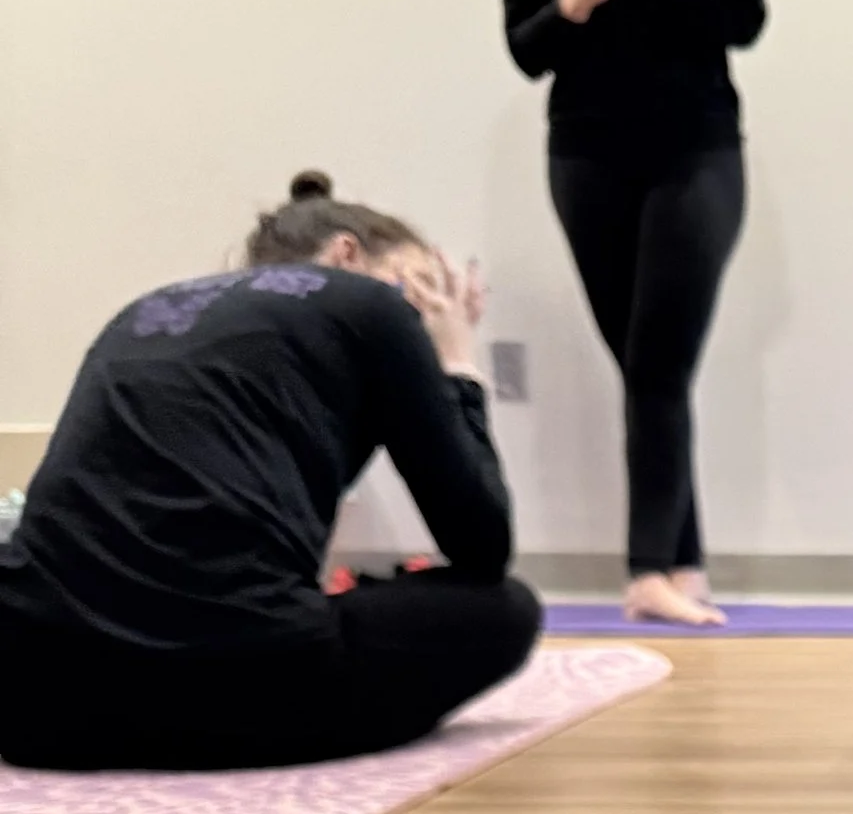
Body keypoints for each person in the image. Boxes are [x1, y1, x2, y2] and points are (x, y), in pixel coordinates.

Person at [0, 175, 537, 774]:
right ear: (345, 254)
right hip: (242, 687)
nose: (430, 308)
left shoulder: (150, 307)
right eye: (425, 285)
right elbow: (483, 544)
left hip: (36, 707)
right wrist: (458, 365)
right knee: (505, 609)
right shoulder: (374, 305)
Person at [503, 0, 765, 629]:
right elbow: (526, 48)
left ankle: (650, 569)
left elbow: (744, 15)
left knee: (657, 360)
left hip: (694, 150)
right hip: (585, 158)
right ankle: (680, 570)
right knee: (643, 366)